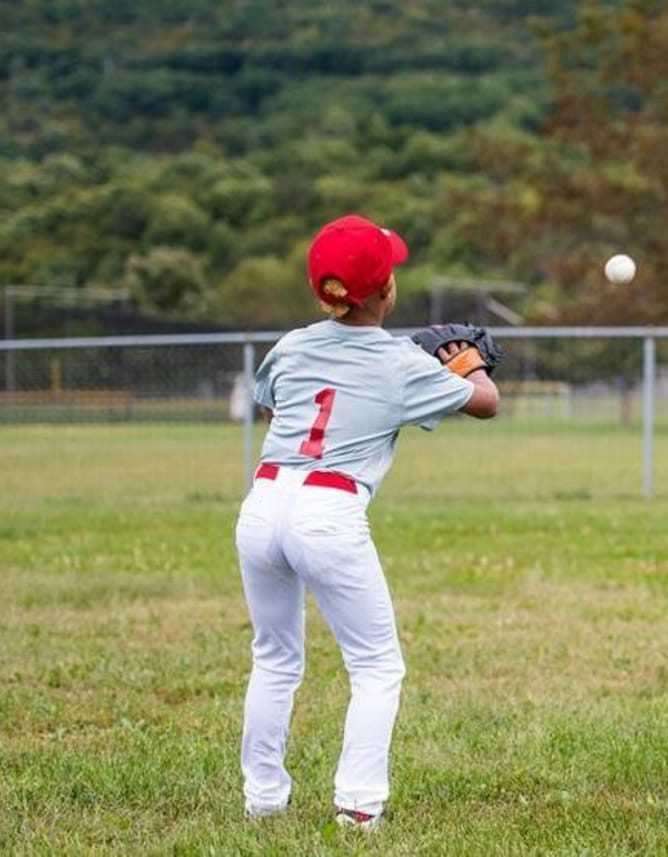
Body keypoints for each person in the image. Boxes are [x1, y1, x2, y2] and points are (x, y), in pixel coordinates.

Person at [234, 215, 500, 830]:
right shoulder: (401, 364)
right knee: (377, 666)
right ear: (386, 293)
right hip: (327, 512)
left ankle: (264, 800)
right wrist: (466, 364)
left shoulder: (293, 344)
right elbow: (486, 405)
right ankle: (358, 808)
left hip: (265, 501)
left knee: (274, 659)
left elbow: (274, 401)